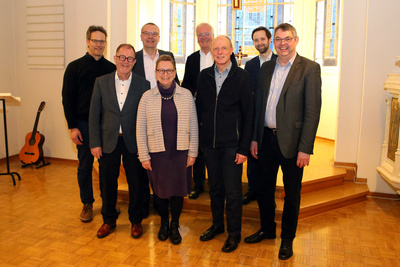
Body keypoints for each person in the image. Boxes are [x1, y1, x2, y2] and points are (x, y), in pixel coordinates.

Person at [244, 23, 321, 261]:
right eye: (278, 39)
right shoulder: (267, 67)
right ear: (273, 42)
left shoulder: (309, 68)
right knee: (264, 189)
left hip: (292, 143)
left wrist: (305, 148)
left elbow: (312, 112)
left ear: (296, 40)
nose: (282, 43)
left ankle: (287, 239)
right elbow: (259, 106)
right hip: (266, 139)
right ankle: (268, 229)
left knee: (292, 194)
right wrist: (255, 137)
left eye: (287, 39)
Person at [196, 36, 254, 253]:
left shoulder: (242, 77)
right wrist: (200, 140)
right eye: (216, 48)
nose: (219, 52)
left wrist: (243, 148)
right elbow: (200, 110)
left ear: (231, 50)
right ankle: (217, 226)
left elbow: (249, 114)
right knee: (215, 189)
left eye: (224, 48)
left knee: (233, 192)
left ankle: (234, 233)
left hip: (232, 145)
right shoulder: (204, 76)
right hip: (210, 145)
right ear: (211, 51)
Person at [89, 44, 150, 239]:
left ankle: (136, 221)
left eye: (129, 58)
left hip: (134, 142)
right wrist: (94, 143)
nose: (125, 61)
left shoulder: (143, 84)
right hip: (108, 141)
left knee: (136, 183)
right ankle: (108, 220)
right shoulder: (101, 82)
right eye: (122, 57)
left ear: (134, 62)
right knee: (107, 183)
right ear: (115, 58)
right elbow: (94, 115)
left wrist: (145, 145)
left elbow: (146, 117)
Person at [136, 55, 198, 245]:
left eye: (169, 70)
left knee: (178, 191)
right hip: (157, 153)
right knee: (160, 191)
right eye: (161, 70)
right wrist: (144, 155)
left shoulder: (186, 95)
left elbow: (194, 124)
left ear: (174, 72)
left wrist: (193, 152)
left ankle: (175, 224)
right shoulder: (147, 97)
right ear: (155, 73)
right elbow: (140, 128)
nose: (165, 74)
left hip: (180, 152)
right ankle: (163, 223)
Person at [62, 25, 115, 223]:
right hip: (83, 124)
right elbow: (67, 98)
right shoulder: (75, 67)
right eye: (95, 40)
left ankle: (108, 202)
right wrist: (72, 127)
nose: (99, 44)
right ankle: (87, 203)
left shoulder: (111, 68)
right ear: (88, 42)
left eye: (102, 41)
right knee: (85, 165)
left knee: (107, 166)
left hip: (105, 125)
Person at [182, 23, 237, 200]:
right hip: (198, 110)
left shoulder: (225, 56)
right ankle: (197, 185)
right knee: (198, 147)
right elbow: (186, 85)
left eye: (207, 34)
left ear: (212, 35)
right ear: (196, 38)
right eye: (200, 35)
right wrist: (196, 92)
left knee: (216, 152)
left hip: (221, 113)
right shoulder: (191, 59)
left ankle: (218, 184)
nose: (203, 38)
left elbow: (232, 79)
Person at [133, 22, 180, 216]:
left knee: (166, 166)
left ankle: (165, 205)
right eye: (146, 33)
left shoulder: (167, 56)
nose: (150, 37)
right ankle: (145, 207)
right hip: (142, 115)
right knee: (144, 167)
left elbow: (176, 83)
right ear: (141, 36)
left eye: (154, 33)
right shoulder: (133, 58)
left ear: (159, 37)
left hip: (168, 116)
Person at [243, 26, 277, 205]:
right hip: (255, 117)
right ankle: (252, 190)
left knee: (270, 159)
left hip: (273, 119)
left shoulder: (280, 60)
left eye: (262, 39)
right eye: (256, 40)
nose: (259, 43)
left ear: (270, 39)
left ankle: (267, 193)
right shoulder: (250, 65)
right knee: (253, 156)